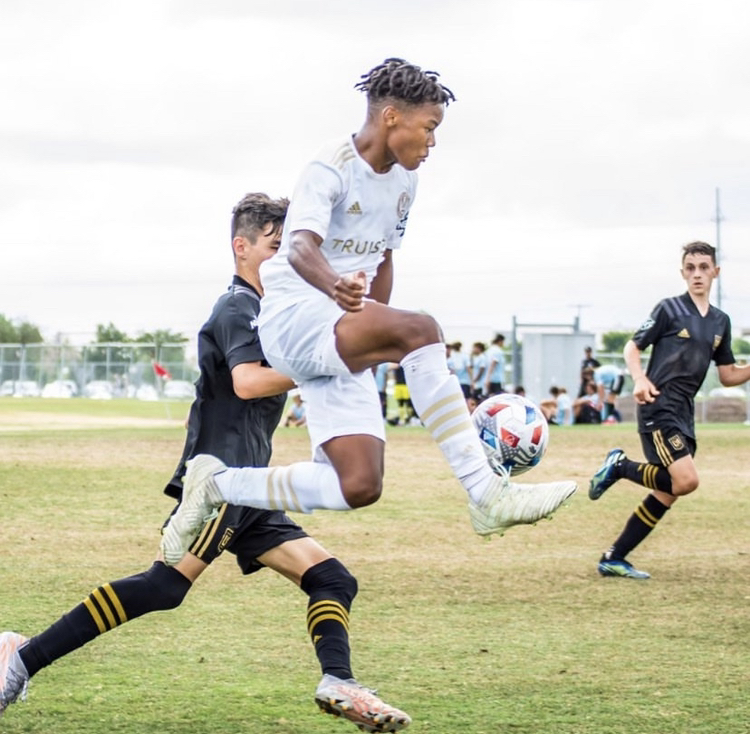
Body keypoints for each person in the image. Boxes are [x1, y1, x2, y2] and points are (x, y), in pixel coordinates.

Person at [0, 193, 410, 732]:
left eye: (290, 245)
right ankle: (18, 662)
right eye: (273, 245)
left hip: (252, 484)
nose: (284, 256)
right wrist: (322, 365)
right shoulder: (238, 307)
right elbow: (247, 382)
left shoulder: (280, 310)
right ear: (241, 248)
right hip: (217, 480)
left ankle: (339, 682)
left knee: (332, 579)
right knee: (164, 587)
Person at [160, 57, 576, 564]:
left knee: (358, 484)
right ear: (391, 118)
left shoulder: (405, 182)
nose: (433, 141)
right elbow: (299, 249)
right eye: (430, 127)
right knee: (422, 329)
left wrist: (377, 322)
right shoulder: (329, 166)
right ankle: (486, 492)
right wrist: (344, 294)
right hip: (293, 319)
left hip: (340, 326)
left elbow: (383, 259)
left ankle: (219, 484)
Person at [588, 241, 750, 579]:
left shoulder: (721, 322)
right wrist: (639, 378)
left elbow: (728, 374)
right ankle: (619, 466)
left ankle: (614, 557)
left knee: (668, 490)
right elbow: (633, 347)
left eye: (704, 267)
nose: (697, 274)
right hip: (657, 405)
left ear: (715, 272)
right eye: (690, 268)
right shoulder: (669, 309)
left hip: (684, 413)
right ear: (682, 273)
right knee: (686, 480)